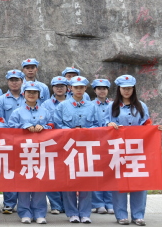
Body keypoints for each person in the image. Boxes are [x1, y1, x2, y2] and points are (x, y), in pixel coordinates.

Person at [107, 75, 162, 226]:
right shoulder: (112, 106)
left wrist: (156, 129)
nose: (127, 91)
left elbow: (147, 125)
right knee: (119, 183)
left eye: (129, 88)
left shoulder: (141, 106)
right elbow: (104, 124)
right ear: (119, 89)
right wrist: (110, 125)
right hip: (118, 150)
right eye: (124, 88)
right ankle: (121, 215)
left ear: (133, 89)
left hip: (137, 150)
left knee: (139, 182)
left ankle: (138, 215)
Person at [53, 76, 100, 224]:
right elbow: (57, 124)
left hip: (86, 147)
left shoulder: (92, 106)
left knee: (86, 180)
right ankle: (72, 213)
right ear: (70, 88)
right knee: (69, 181)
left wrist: (86, 131)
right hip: (68, 147)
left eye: (81, 87)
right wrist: (71, 131)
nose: (79, 90)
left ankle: (85, 213)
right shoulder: (62, 106)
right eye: (76, 87)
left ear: (85, 88)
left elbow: (98, 124)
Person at [8, 81, 54, 224]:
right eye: (29, 92)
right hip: (23, 153)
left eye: (35, 92)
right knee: (24, 183)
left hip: (41, 152)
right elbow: (10, 128)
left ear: (39, 95)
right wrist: (24, 126)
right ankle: (25, 213)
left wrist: (44, 127)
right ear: (24, 94)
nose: (32, 95)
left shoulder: (45, 112)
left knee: (40, 182)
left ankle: (39, 213)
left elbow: (52, 126)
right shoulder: (17, 112)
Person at [0, 69, 27, 214]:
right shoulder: (1, 100)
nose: (14, 83)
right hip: (8, 140)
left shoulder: (28, 96)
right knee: (9, 172)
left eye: (17, 80)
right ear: (7, 82)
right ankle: (9, 203)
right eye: (11, 80)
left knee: (25, 171)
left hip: (27, 141)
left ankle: (25, 204)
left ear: (22, 81)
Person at [41, 76, 70, 215]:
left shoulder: (72, 102)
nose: (59, 88)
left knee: (67, 174)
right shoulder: (45, 104)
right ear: (52, 88)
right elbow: (44, 122)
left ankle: (68, 205)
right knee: (51, 173)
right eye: (56, 86)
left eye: (62, 86)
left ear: (67, 88)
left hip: (69, 143)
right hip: (51, 143)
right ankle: (56, 205)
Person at [90, 78, 114, 215]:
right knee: (96, 173)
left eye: (104, 88)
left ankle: (110, 203)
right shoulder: (90, 105)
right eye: (99, 88)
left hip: (111, 143)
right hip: (95, 142)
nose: (102, 91)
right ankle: (98, 203)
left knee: (110, 173)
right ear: (94, 90)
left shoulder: (114, 105)